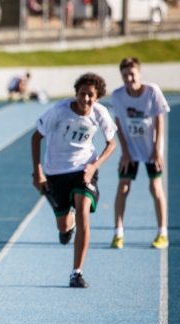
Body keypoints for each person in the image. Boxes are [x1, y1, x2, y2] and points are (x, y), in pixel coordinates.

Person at [31, 73, 117, 288]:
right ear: (76, 93)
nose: (85, 99)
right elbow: (36, 137)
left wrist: (93, 166)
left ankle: (76, 272)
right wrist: (38, 172)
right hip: (57, 172)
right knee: (63, 227)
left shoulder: (100, 114)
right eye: (82, 94)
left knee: (83, 212)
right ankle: (68, 223)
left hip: (84, 170)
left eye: (90, 95)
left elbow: (112, 144)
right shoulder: (60, 112)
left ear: (97, 97)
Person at [109, 57, 171, 249]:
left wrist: (156, 150)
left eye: (132, 74)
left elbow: (159, 119)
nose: (129, 78)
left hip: (151, 148)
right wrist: (125, 152)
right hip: (131, 149)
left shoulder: (152, 91)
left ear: (140, 73)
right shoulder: (118, 96)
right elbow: (118, 124)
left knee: (155, 187)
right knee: (123, 187)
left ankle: (162, 233)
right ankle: (118, 233)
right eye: (125, 75)